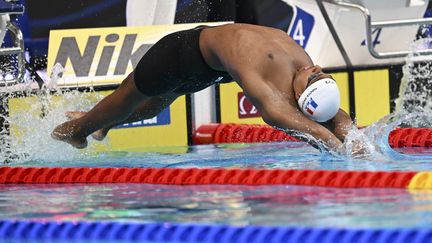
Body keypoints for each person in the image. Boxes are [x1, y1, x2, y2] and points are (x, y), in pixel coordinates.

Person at [52, 23, 354, 153]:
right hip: (178, 55)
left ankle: (106, 125)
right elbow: (276, 116)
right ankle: (72, 130)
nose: (312, 69)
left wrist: (357, 140)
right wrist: (339, 149)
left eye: (313, 78)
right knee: (127, 98)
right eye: (318, 74)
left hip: (212, 69)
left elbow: (332, 115)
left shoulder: (298, 83)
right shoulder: (268, 72)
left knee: (158, 105)